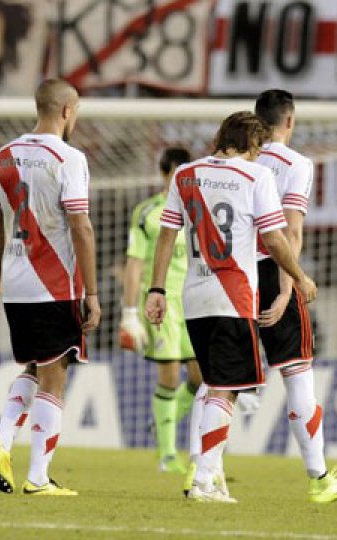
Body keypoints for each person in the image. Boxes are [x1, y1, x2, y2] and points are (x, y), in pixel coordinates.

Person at [146, 111, 318, 503]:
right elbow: (275, 241)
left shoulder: (185, 174)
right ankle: (204, 478)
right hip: (233, 294)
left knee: (212, 384)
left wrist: (157, 289)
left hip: (193, 297)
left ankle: (211, 474)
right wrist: (300, 276)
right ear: (254, 145)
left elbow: (167, 234)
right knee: (226, 390)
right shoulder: (257, 176)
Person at [0, 79, 101, 496]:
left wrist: (3, 270)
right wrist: (93, 293)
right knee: (55, 378)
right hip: (56, 285)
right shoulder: (69, 158)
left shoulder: (1, 157)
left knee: (32, 368)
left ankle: (1, 439)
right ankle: (37, 477)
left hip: (16, 281)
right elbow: (81, 228)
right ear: (68, 110)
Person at [250, 89, 337, 502]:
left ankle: (200, 473)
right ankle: (319, 479)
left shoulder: (240, 161)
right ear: (290, 122)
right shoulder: (296, 164)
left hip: (230, 275)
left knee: (219, 381)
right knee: (297, 373)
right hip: (273, 269)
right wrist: (287, 287)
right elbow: (290, 231)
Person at [119, 147, 202, 474]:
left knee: (201, 379)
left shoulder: (198, 210)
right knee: (168, 375)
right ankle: (168, 455)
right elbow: (135, 264)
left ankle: (163, 421)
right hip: (161, 303)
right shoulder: (147, 212)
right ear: (165, 175)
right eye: (175, 175)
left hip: (195, 301)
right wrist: (129, 313)